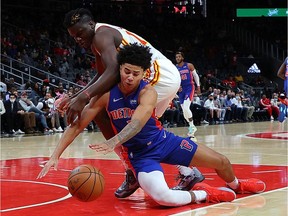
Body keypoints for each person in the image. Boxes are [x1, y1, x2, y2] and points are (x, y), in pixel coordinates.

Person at [38, 44, 266, 207]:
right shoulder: (107, 94)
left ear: (144, 74)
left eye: (135, 74)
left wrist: (115, 141)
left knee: (222, 162)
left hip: (163, 142)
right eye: (126, 71)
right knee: (162, 197)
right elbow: (77, 125)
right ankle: (204, 194)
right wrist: (55, 155)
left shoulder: (148, 92)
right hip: (140, 156)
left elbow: (137, 122)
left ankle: (237, 186)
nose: (129, 77)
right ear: (119, 69)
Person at [59, 8, 203, 197]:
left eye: (80, 33)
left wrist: (83, 98)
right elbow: (103, 75)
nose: (78, 39)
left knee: (108, 116)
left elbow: (112, 72)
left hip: (156, 78)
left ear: (91, 24)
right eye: (73, 37)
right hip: (165, 76)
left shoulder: (100, 36)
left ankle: (132, 170)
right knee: (147, 132)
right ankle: (186, 170)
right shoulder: (101, 37)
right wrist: (76, 96)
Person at [175, 52, 200, 138]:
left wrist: (198, 86)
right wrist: (177, 87)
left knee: (186, 107)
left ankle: (192, 126)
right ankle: (191, 126)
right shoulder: (175, 68)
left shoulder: (189, 65)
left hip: (189, 87)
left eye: (179, 57)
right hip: (181, 90)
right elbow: (176, 79)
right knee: (184, 111)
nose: (177, 58)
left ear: (182, 57)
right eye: (176, 57)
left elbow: (196, 76)